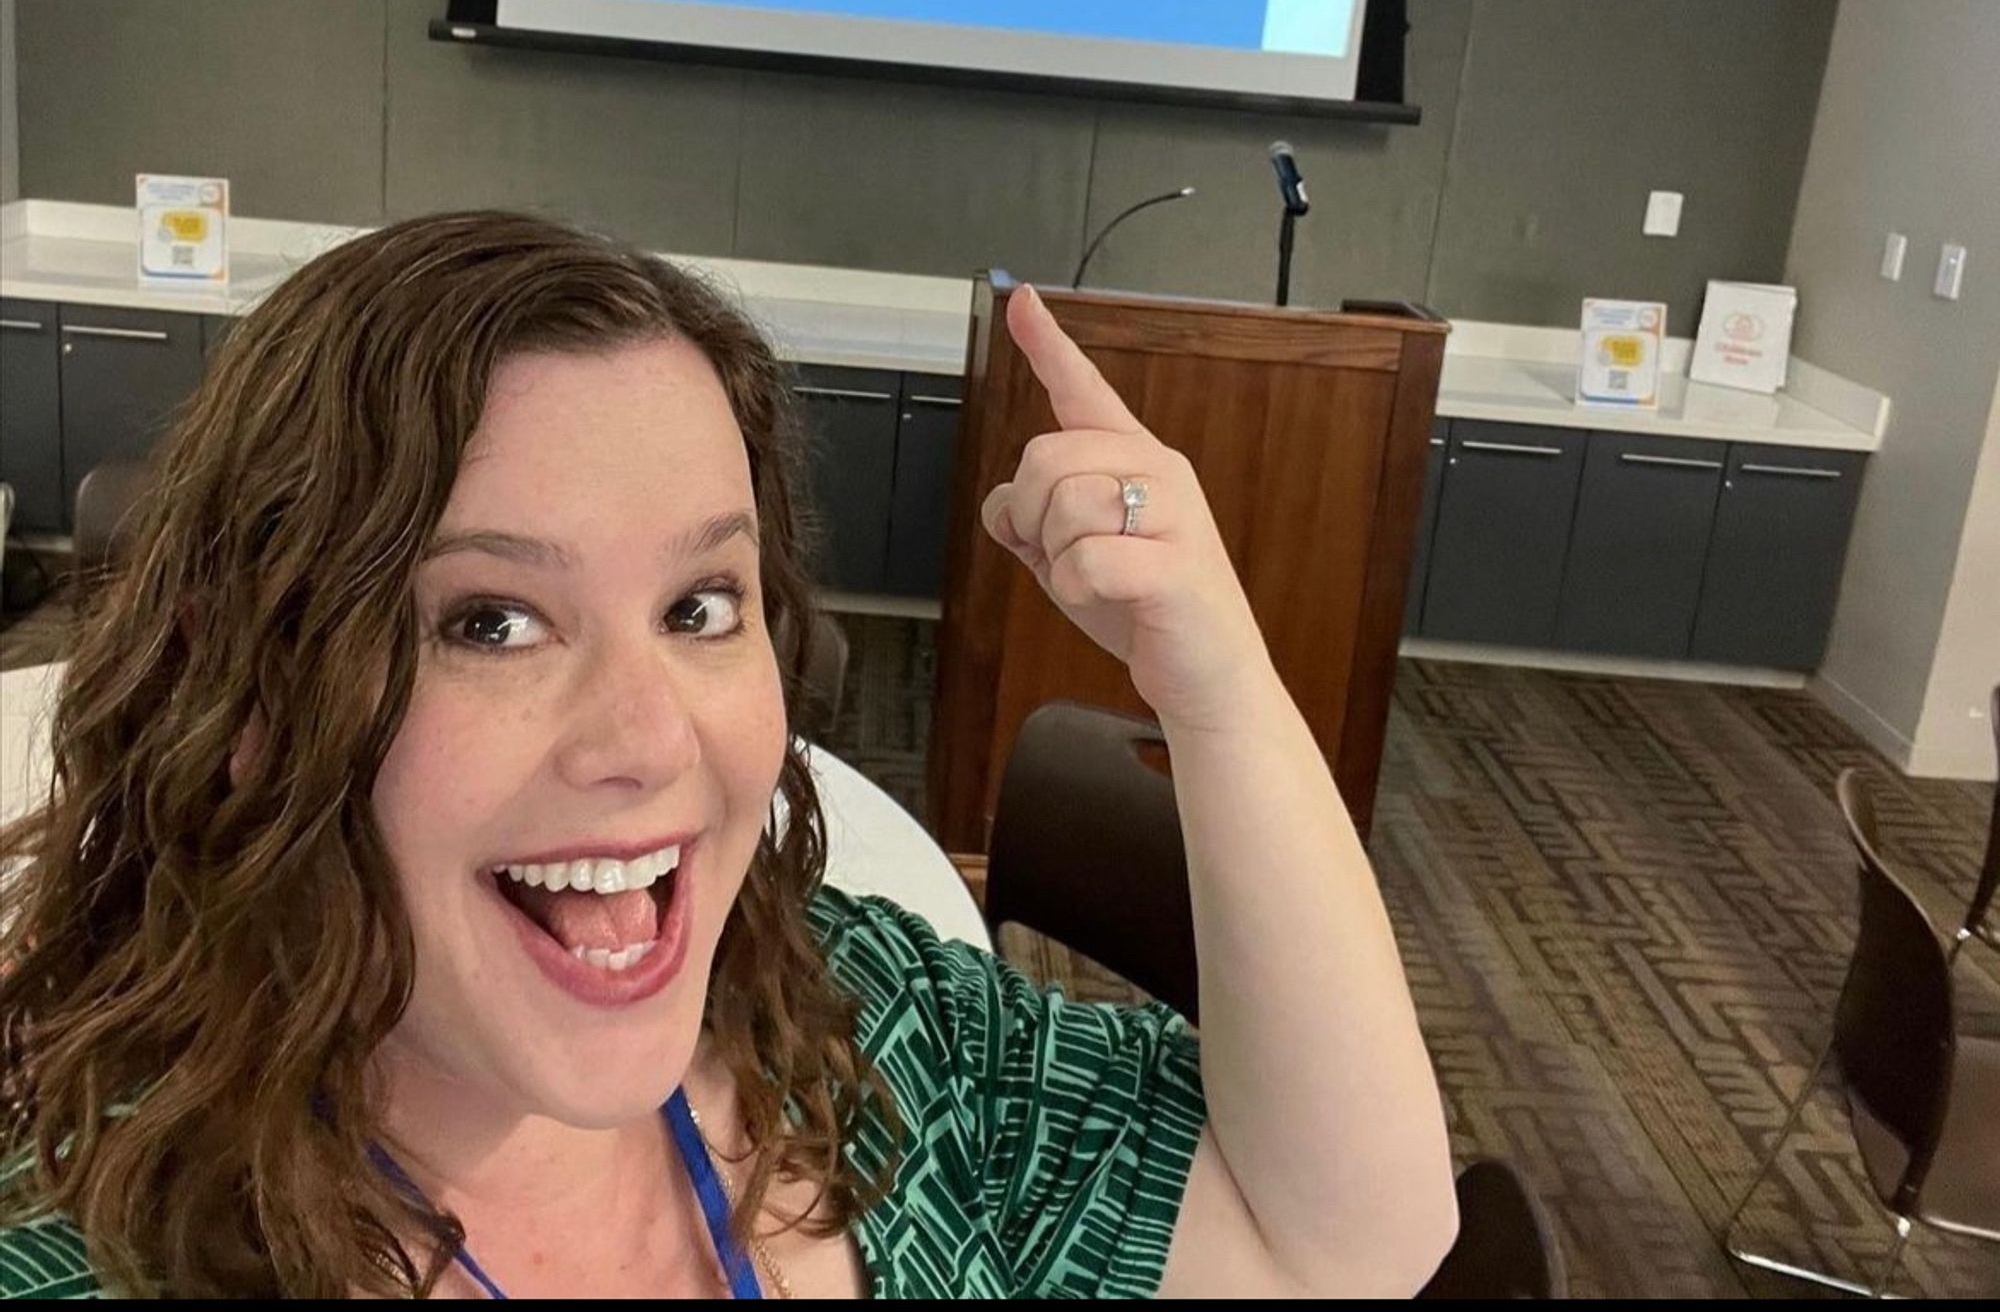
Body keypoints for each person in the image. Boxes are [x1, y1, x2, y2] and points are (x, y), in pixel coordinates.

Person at [0, 212, 1456, 1298]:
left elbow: (1347, 1239)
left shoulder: (860, 1034)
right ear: (251, 696)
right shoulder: (87, 1242)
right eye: (492, 620)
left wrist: (1218, 687)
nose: (650, 740)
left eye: (702, 605)